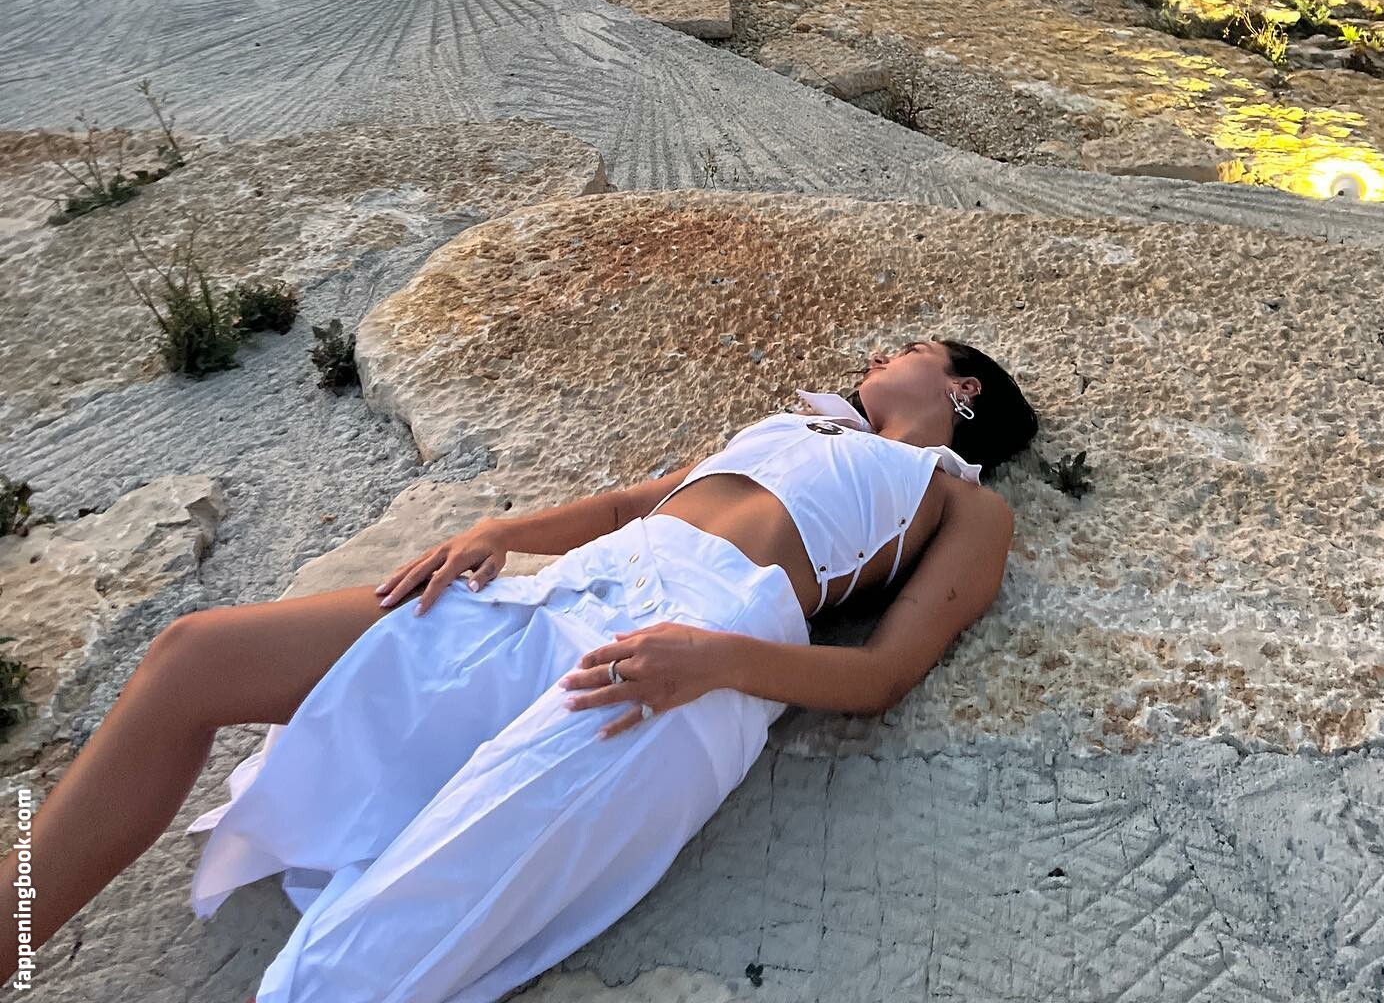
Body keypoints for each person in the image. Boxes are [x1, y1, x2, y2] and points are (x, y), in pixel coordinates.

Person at [1, 338, 1037, 1001]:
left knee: (364, 959)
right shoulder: (793, 426)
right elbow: (632, 504)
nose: (876, 352)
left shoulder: (964, 502)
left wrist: (720, 661)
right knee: (193, 657)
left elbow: (885, 673)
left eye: (908, 346)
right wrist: (501, 530)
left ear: (964, 386)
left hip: (678, 659)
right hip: (562, 594)